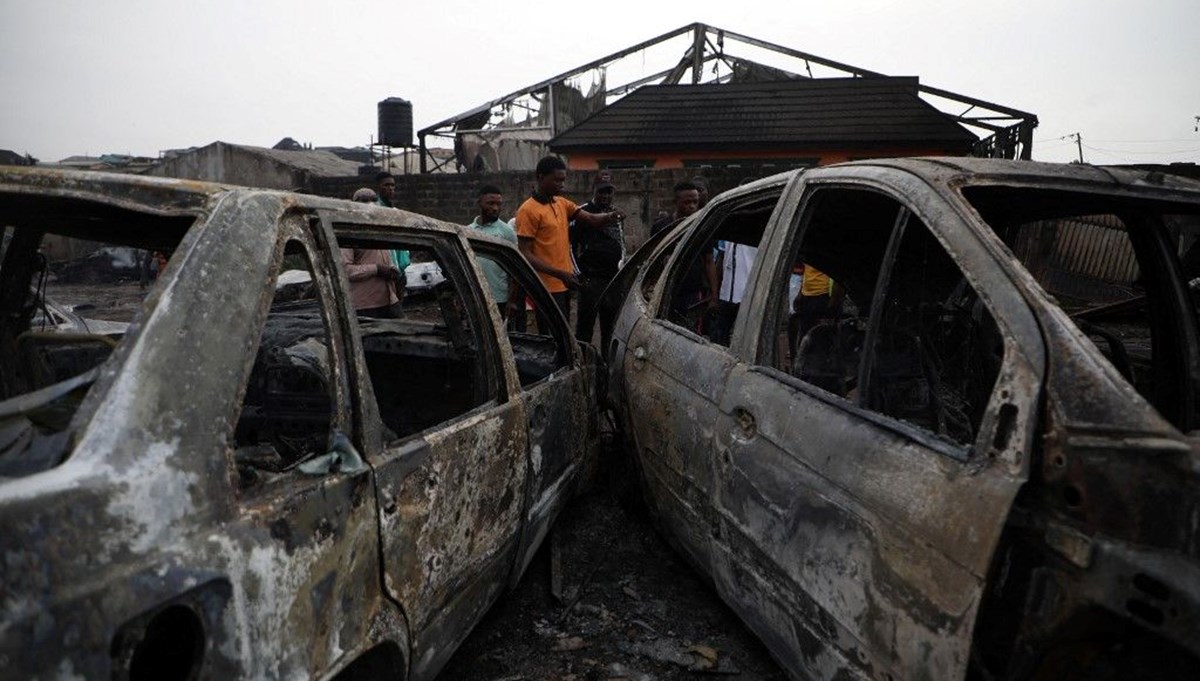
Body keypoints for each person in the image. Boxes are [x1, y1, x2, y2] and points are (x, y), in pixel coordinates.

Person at [515, 156, 622, 320]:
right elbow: (525, 254)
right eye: (557, 180)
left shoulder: (562, 203)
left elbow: (591, 219)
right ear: (541, 177)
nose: (562, 184)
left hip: (563, 285)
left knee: (564, 335)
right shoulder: (528, 210)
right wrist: (560, 273)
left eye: (563, 180)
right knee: (550, 337)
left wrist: (610, 216)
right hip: (544, 288)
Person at [569, 174, 625, 340]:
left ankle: (606, 365)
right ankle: (585, 363)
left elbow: (621, 242)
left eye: (608, 192)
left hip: (613, 279)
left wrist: (622, 268)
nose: (605, 196)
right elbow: (570, 245)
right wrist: (579, 274)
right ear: (594, 190)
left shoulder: (616, 214)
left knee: (611, 328)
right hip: (591, 279)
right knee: (585, 328)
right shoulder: (582, 212)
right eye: (601, 192)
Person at [467, 185, 521, 323]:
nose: (495, 208)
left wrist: (512, 301)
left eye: (498, 204)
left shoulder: (506, 232)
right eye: (490, 203)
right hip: (474, 296)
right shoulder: (468, 231)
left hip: (499, 299)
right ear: (479, 203)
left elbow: (515, 270)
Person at [708, 240, 758, 346]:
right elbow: (721, 259)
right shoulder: (730, 232)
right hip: (726, 293)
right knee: (720, 337)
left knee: (746, 339)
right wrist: (715, 294)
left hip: (748, 294)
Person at [341, 247, 403, 318]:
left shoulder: (381, 237)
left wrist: (392, 270)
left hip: (389, 301)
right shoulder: (349, 238)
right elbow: (344, 270)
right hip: (364, 307)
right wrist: (376, 269)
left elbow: (384, 260)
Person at [373, 172, 411, 287]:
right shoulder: (374, 210)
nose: (390, 188)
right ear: (378, 187)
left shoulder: (395, 211)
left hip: (399, 267)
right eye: (386, 185)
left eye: (392, 185)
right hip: (385, 267)